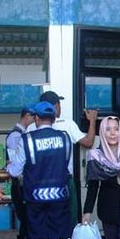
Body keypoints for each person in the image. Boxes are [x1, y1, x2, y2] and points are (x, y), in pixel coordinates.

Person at [7, 101, 72, 239]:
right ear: (53, 119)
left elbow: (15, 171)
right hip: (60, 198)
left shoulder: (26, 140)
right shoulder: (65, 138)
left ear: (36, 118)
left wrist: (9, 166)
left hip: (35, 200)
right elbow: (69, 170)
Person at [28, 90, 98, 226]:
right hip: (63, 181)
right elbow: (88, 142)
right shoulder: (67, 125)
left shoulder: (31, 129)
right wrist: (93, 121)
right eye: (59, 104)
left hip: (38, 183)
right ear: (55, 106)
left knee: (43, 222)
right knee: (67, 221)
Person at [5, 105, 35, 239]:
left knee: (28, 221)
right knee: (26, 221)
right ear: (27, 116)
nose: (34, 120)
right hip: (20, 186)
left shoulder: (22, 135)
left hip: (23, 185)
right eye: (33, 117)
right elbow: (16, 165)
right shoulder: (16, 136)